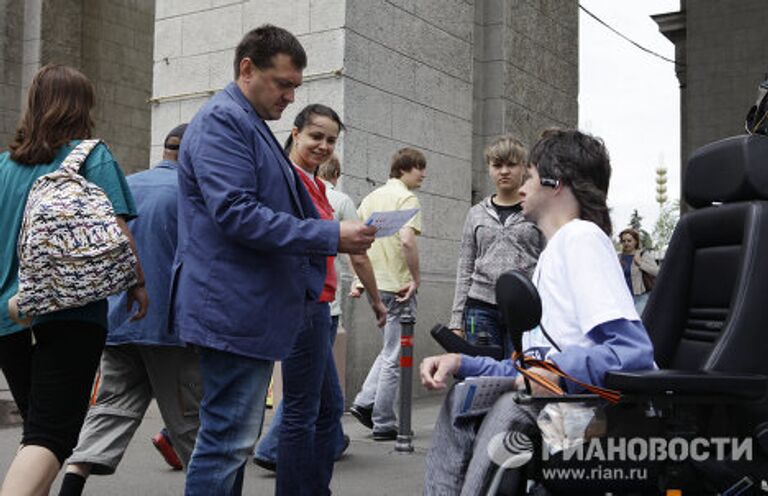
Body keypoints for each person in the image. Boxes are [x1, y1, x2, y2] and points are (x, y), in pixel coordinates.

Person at [175, 27, 376, 496]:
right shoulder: (226, 121)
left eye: (294, 87)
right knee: (226, 442)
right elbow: (237, 214)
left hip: (246, 307)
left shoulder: (246, 123)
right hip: (233, 307)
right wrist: (331, 234)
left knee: (231, 440)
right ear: (247, 69)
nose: (289, 96)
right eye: (282, 84)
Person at [420, 129, 656, 495]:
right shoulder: (552, 253)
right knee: (463, 397)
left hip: (598, 417)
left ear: (555, 182)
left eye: (529, 174)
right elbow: (532, 368)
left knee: (513, 409)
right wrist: (460, 362)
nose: (522, 185)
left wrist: (551, 377)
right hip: (563, 404)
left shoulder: (582, 240)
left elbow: (632, 354)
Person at [0, 64, 148, 496]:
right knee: (52, 436)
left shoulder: (3, 167)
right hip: (71, 311)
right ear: (82, 107)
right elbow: (117, 232)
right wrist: (137, 283)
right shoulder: (90, 156)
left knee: (38, 430)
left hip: (9, 318)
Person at [57, 124, 202, 496]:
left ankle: (72, 483)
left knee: (110, 409)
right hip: (169, 327)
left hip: (118, 321)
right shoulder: (194, 195)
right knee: (192, 423)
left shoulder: (127, 186)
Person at [253, 152, 387, 472]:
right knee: (306, 400)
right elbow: (357, 255)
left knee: (326, 403)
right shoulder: (307, 191)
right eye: (316, 137)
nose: (323, 145)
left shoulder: (318, 193)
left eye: (329, 139)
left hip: (314, 304)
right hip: (309, 305)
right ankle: (277, 452)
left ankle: (315, 457)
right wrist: (375, 299)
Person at [349, 148, 426, 441]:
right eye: (420, 167)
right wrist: (416, 280)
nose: (424, 173)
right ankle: (383, 421)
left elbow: (354, 241)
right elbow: (407, 241)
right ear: (404, 169)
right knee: (396, 354)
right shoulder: (406, 198)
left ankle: (364, 402)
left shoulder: (370, 199)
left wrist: (358, 279)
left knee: (389, 348)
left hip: (374, 284)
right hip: (398, 285)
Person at [449, 136, 544, 349]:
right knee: (484, 377)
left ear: (524, 168)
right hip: (480, 308)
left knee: (521, 376)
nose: (504, 171)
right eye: (497, 165)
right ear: (490, 169)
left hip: (523, 309)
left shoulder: (536, 211)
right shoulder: (475, 214)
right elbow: (465, 266)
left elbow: (548, 264)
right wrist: (456, 320)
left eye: (511, 164)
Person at [618, 228, 660, 315]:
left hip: (640, 297)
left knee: (639, 323)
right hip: (623, 298)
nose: (626, 243)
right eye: (623, 241)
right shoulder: (619, 257)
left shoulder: (643, 255)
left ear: (635, 241)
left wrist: (639, 263)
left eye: (629, 241)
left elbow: (657, 272)